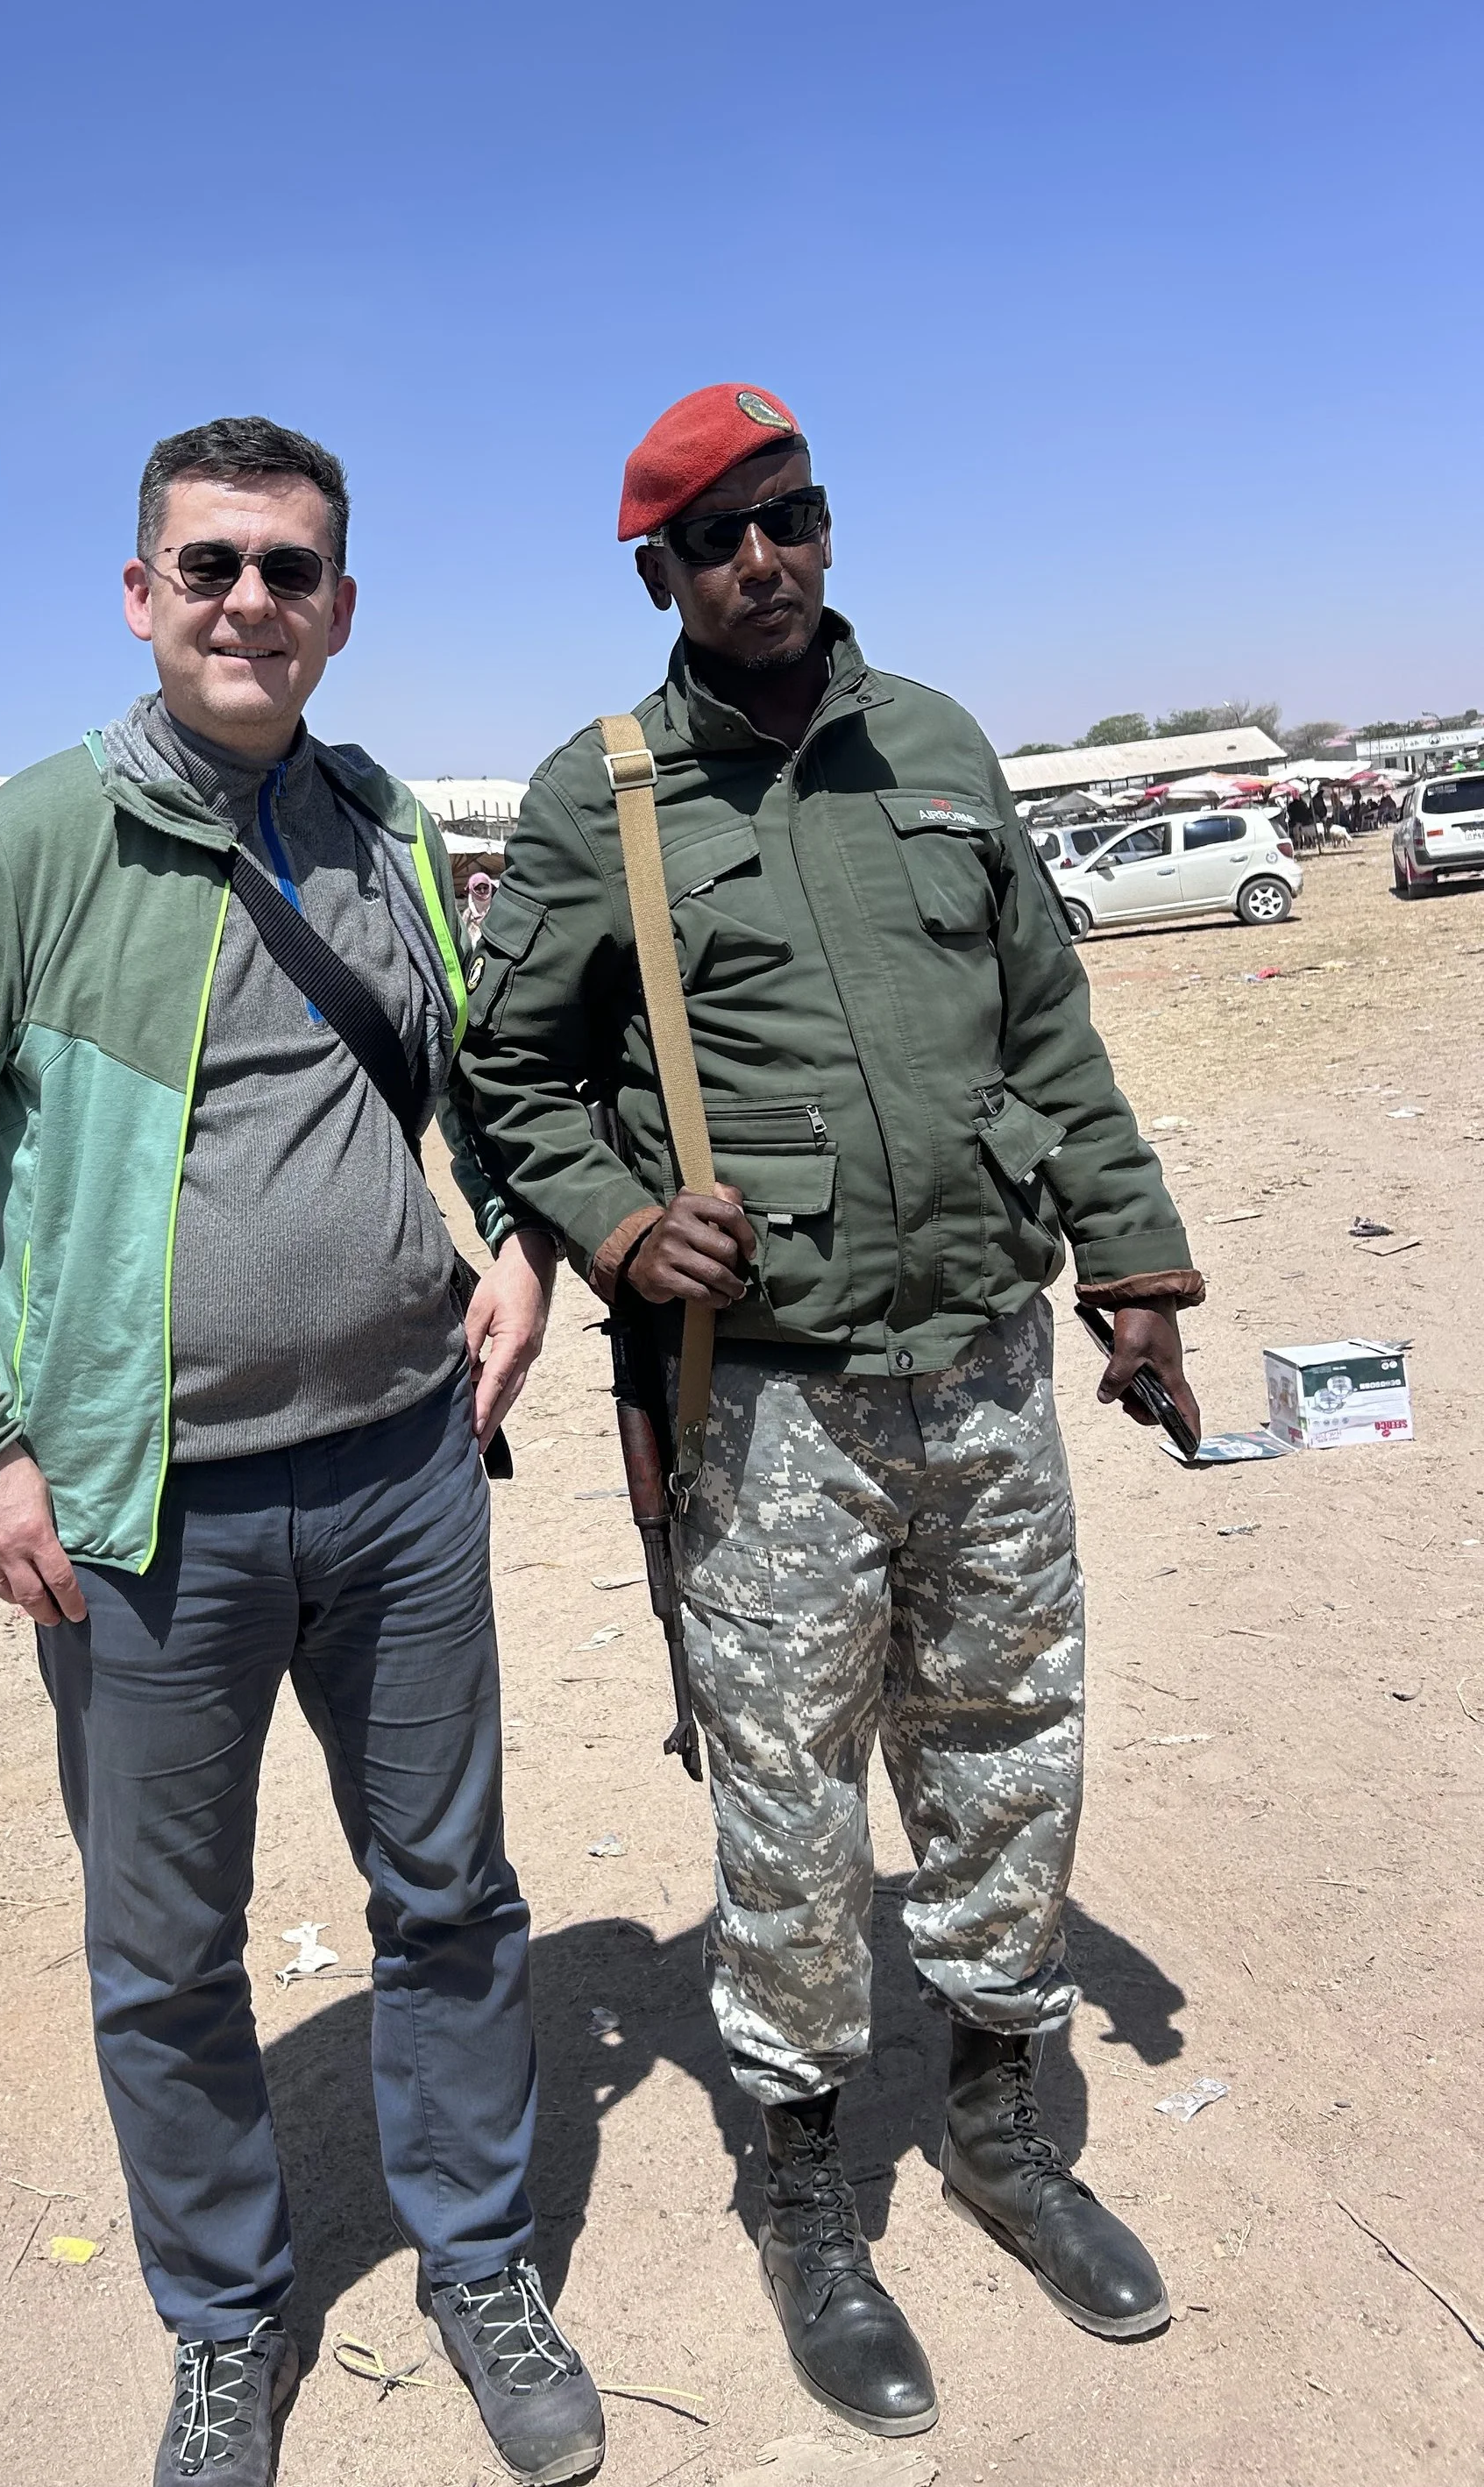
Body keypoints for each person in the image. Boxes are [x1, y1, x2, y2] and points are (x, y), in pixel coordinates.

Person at [0, 416, 602, 2487]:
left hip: (409, 1471)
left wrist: (511, 1236)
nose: (251, 599)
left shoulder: (378, 825)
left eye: (292, 567)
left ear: (342, 606)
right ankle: (225, 2318)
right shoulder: (33, 843)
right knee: (165, 1952)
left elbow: (461, 1080)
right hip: (140, 1515)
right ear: (143, 591)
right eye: (211, 563)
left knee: (447, 1892)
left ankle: (477, 2260)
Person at [456, 383, 1203, 2439]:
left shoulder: (940, 750)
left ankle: (995, 2130)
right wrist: (612, 1228)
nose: (760, 561)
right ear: (657, 577)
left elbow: (1047, 1028)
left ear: (821, 524)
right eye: (714, 540)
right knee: (786, 1807)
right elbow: (499, 1074)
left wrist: (1130, 1274)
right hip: (762, 1402)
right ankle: (802, 2197)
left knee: (1002, 1750)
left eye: (786, 517)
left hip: (978, 1357)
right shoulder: (596, 800)